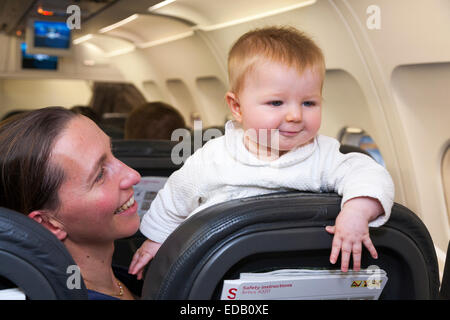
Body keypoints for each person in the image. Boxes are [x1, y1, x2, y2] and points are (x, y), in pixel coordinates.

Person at [128, 26, 394, 279]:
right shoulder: (214, 157)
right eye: (276, 102)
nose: (295, 115)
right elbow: (173, 201)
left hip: (300, 270)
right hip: (217, 274)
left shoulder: (323, 156)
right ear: (237, 107)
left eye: (309, 102)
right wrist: (155, 242)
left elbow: (369, 173)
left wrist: (356, 212)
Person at [0, 107, 142, 300]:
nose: (133, 175)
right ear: (48, 223)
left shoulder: (127, 276)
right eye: (100, 175)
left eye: (112, 153)